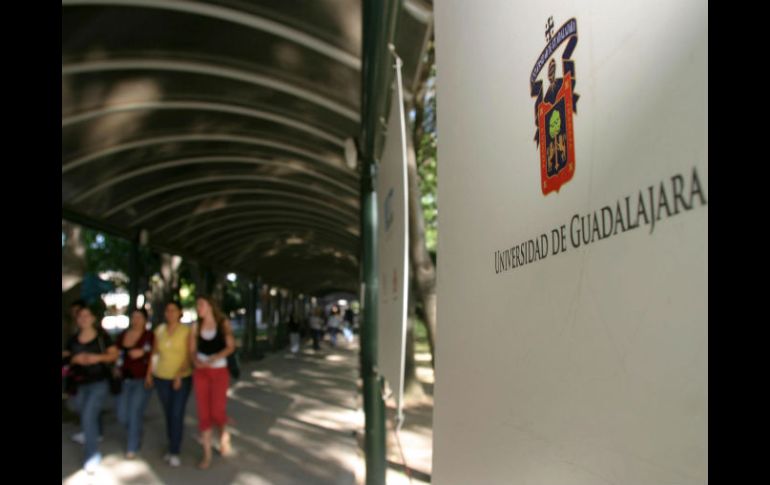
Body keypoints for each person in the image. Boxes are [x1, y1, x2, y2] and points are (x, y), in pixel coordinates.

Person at [65, 305, 119, 474]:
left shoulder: (102, 337)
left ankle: (92, 456)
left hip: (99, 382)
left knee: (88, 415)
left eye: (87, 315)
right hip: (79, 383)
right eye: (81, 316)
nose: (84, 318)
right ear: (77, 319)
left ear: (93, 318)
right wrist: (75, 359)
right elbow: (67, 358)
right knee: (85, 414)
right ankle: (95, 433)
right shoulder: (73, 340)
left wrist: (97, 358)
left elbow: (114, 355)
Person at [190, 295, 235, 469]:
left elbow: (230, 346)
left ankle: (224, 433)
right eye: (197, 305)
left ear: (210, 306)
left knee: (217, 411)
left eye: (201, 304)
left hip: (219, 372)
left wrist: (215, 357)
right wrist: (196, 361)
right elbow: (192, 350)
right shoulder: (196, 326)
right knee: (204, 413)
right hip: (201, 372)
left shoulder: (223, 323)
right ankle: (207, 454)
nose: (198, 308)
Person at [145, 301, 192, 467]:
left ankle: (174, 451)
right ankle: (172, 443)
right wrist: (149, 373)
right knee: (168, 413)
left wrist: (179, 374)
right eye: (168, 310)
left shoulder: (186, 331)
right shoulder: (159, 330)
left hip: (181, 378)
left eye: (174, 310)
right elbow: (154, 354)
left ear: (180, 312)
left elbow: (189, 356)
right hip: (161, 378)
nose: (170, 313)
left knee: (177, 413)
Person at [115, 308, 154, 458]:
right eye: (133, 317)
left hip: (141, 379)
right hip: (124, 379)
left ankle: (132, 446)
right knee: (122, 414)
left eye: (139, 317)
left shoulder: (149, 336)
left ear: (145, 320)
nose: (136, 320)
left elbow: (154, 356)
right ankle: (136, 430)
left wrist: (149, 375)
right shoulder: (122, 335)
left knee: (134, 412)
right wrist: (116, 368)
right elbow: (117, 354)